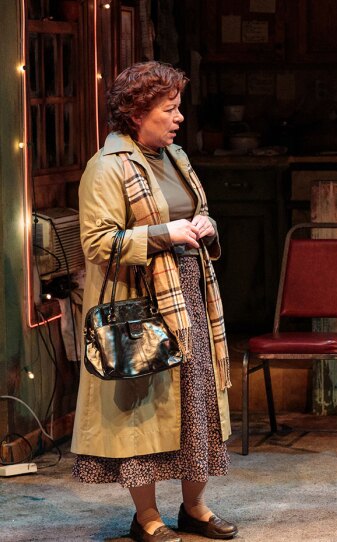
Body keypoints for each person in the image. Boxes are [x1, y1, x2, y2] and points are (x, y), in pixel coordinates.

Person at [71, 61, 237, 542]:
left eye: (178, 107)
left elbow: (194, 209)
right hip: (139, 302)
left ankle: (195, 508)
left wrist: (206, 225)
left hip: (191, 297)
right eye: (169, 109)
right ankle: (147, 518)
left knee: (197, 401)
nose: (179, 117)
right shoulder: (106, 168)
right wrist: (163, 234)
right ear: (138, 112)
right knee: (141, 410)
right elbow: (98, 243)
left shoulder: (176, 157)